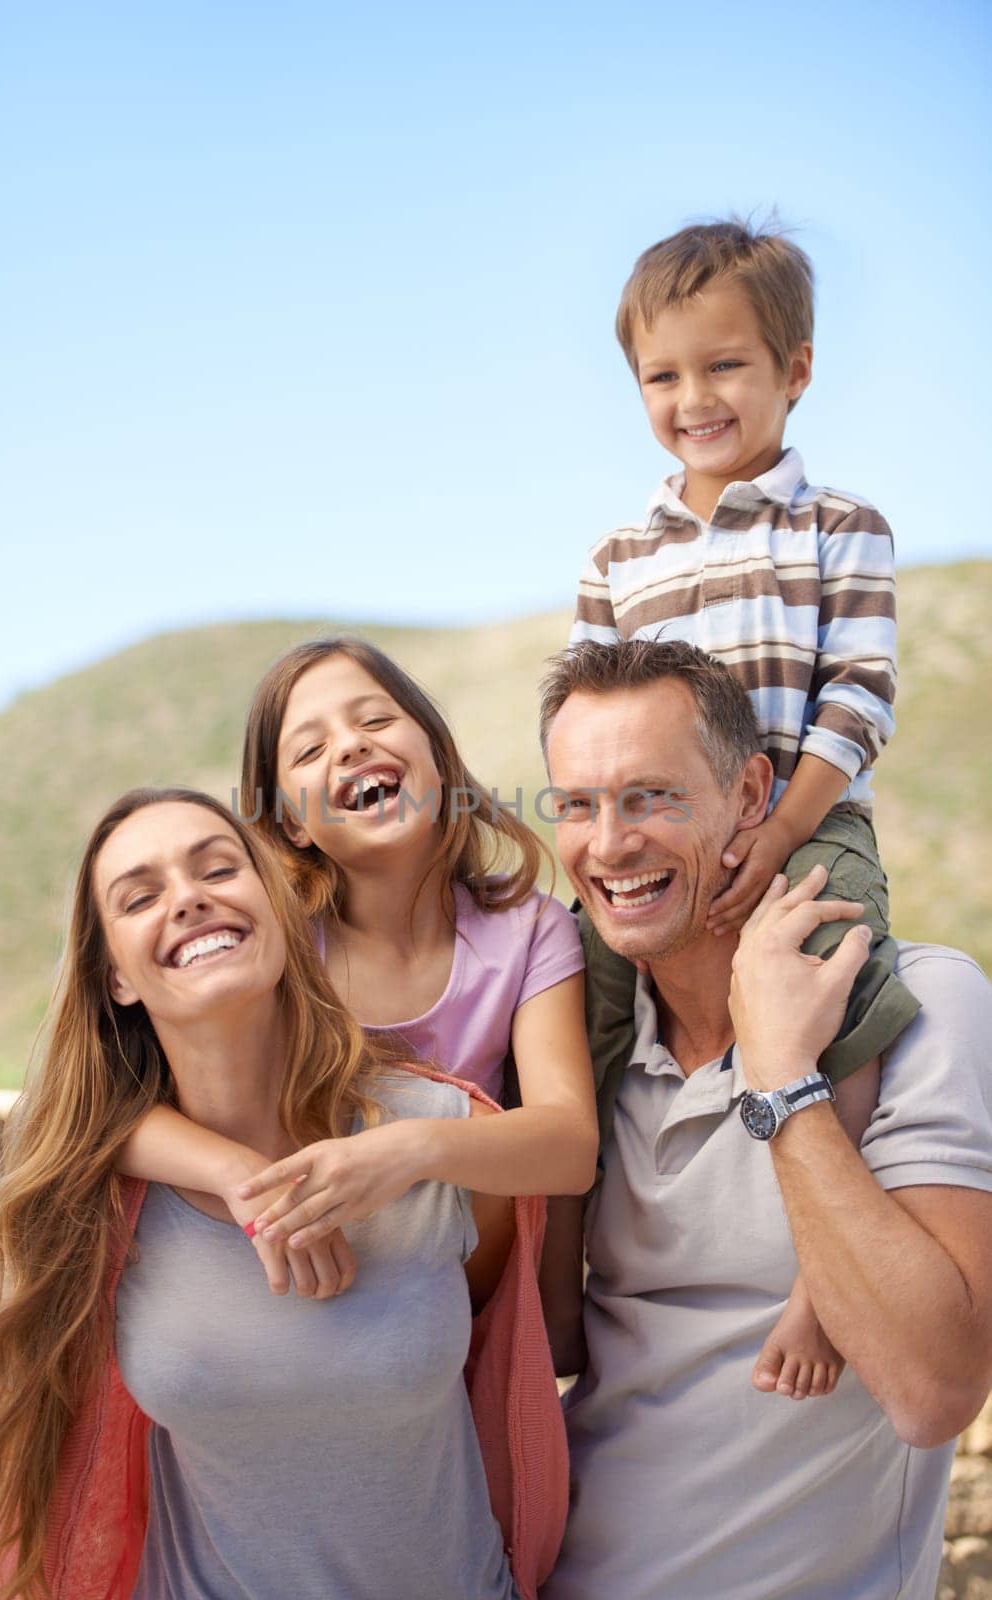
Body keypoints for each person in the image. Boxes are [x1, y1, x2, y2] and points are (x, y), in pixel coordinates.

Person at [0, 788, 569, 1600]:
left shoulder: (438, 1133)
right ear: (117, 978)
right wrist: (237, 1178)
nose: (189, 898)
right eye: (141, 897)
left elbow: (500, 1347)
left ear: (278, 912)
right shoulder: (97, 1200)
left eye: (218, 867)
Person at [538, 639, 992, 1600]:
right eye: (577, 805)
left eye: (651, 796)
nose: (609, 844)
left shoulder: (926, 1003)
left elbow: (934, 1391)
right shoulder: (578, 1052)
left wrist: (783, 1075)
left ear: (752, 796)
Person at [568, 217, 918, 1396]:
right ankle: (567, 1274)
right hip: (659, 849)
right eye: (663, 375)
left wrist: (776, 833)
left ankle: (826, 1279)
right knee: (575, 1001)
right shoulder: (621, 552)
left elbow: (860, 699)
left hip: (808, 819)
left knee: (847, 986)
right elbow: (586, 706)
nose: (693, 396)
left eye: (725, 365)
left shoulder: (840, 528)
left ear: (795, 371)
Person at [115, 638, 598, 1293]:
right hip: (300, 1270)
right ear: (291, 824)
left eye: (374, 721)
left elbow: (570, 1146)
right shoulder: (275, 946)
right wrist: (234, 1174)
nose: (349, 747)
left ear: (436, 753)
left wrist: (408, 1151)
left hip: (463, 1282)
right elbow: (112, 1111)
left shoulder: (531, 929)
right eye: (310, 750)